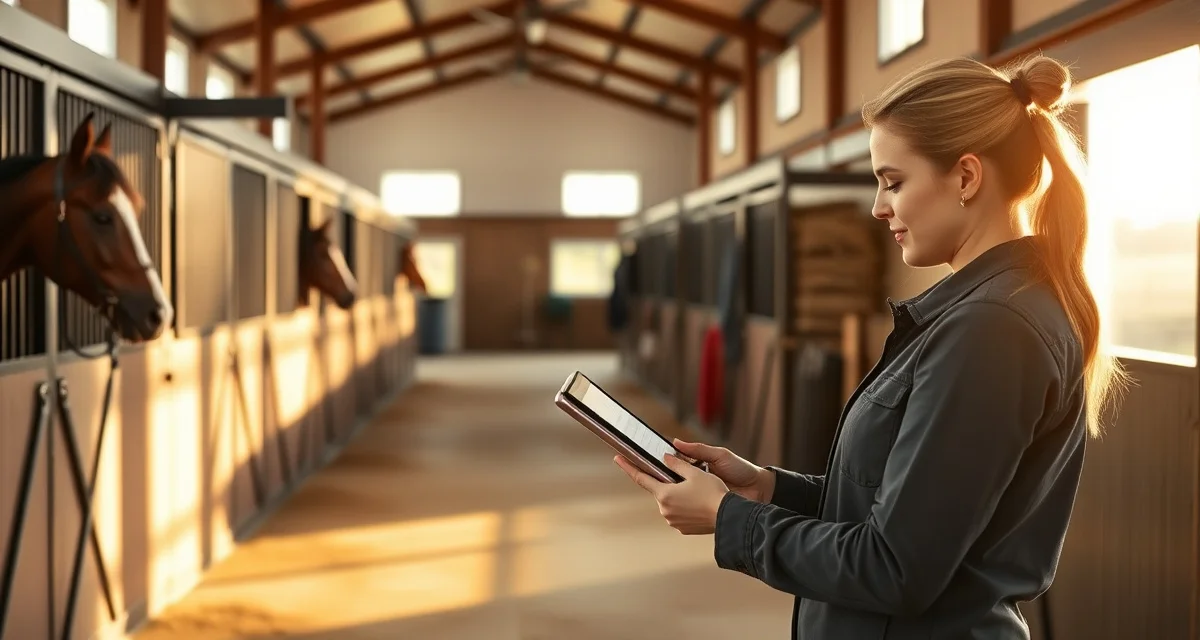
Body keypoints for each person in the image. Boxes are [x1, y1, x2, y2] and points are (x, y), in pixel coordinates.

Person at [614, 53, 1128, 639]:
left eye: (893, 182)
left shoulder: (991, 329)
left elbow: (893, 568)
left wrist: (728, 519)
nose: (880, 207)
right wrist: (766, 487)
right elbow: (894, 512)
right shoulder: (984, 313)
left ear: (965, 177)